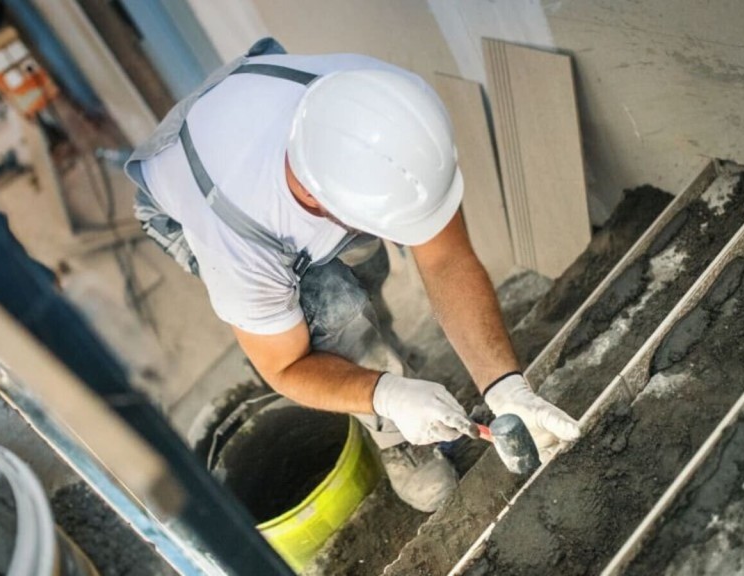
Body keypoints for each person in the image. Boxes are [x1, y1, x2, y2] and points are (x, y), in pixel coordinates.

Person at [125, 38, 580, 513]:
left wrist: (505, 385)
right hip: (190, 197)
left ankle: (385, 356)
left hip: (246, 114)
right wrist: (386, 394)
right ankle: (393, 434)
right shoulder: (241, 246)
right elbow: (283, 368)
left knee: (367, 262)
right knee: (335, 308)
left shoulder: (385, 113)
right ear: (323, 207)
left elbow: (445, 258)